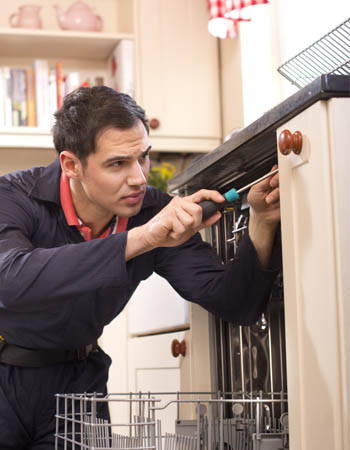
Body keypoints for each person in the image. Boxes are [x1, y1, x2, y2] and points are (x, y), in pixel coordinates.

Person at [0, 86, 280, 449]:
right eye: (118, 163)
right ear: (71, 165)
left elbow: (235, 303)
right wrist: (144, 239)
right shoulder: (14, 195)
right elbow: (10, 280)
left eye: (143, 157)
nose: (139, 178)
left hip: (78, 386)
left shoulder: (151, 212)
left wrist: (262, 222)